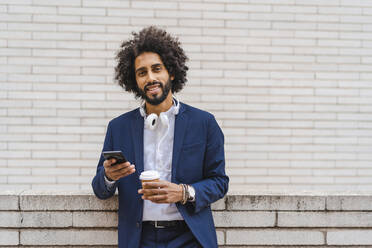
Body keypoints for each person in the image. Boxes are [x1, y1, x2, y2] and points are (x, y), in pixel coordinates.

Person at [92, 26, 229, 248]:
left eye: (157, 69)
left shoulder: (204, 123)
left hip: (190, 237)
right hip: (139, 239)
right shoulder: (118, 127)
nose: (151, 77)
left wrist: (183, 192)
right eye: (142, 72)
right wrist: (109, 176)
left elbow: (220, 182)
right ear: (134, 80)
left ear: (171, 72)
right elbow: (100, 189)